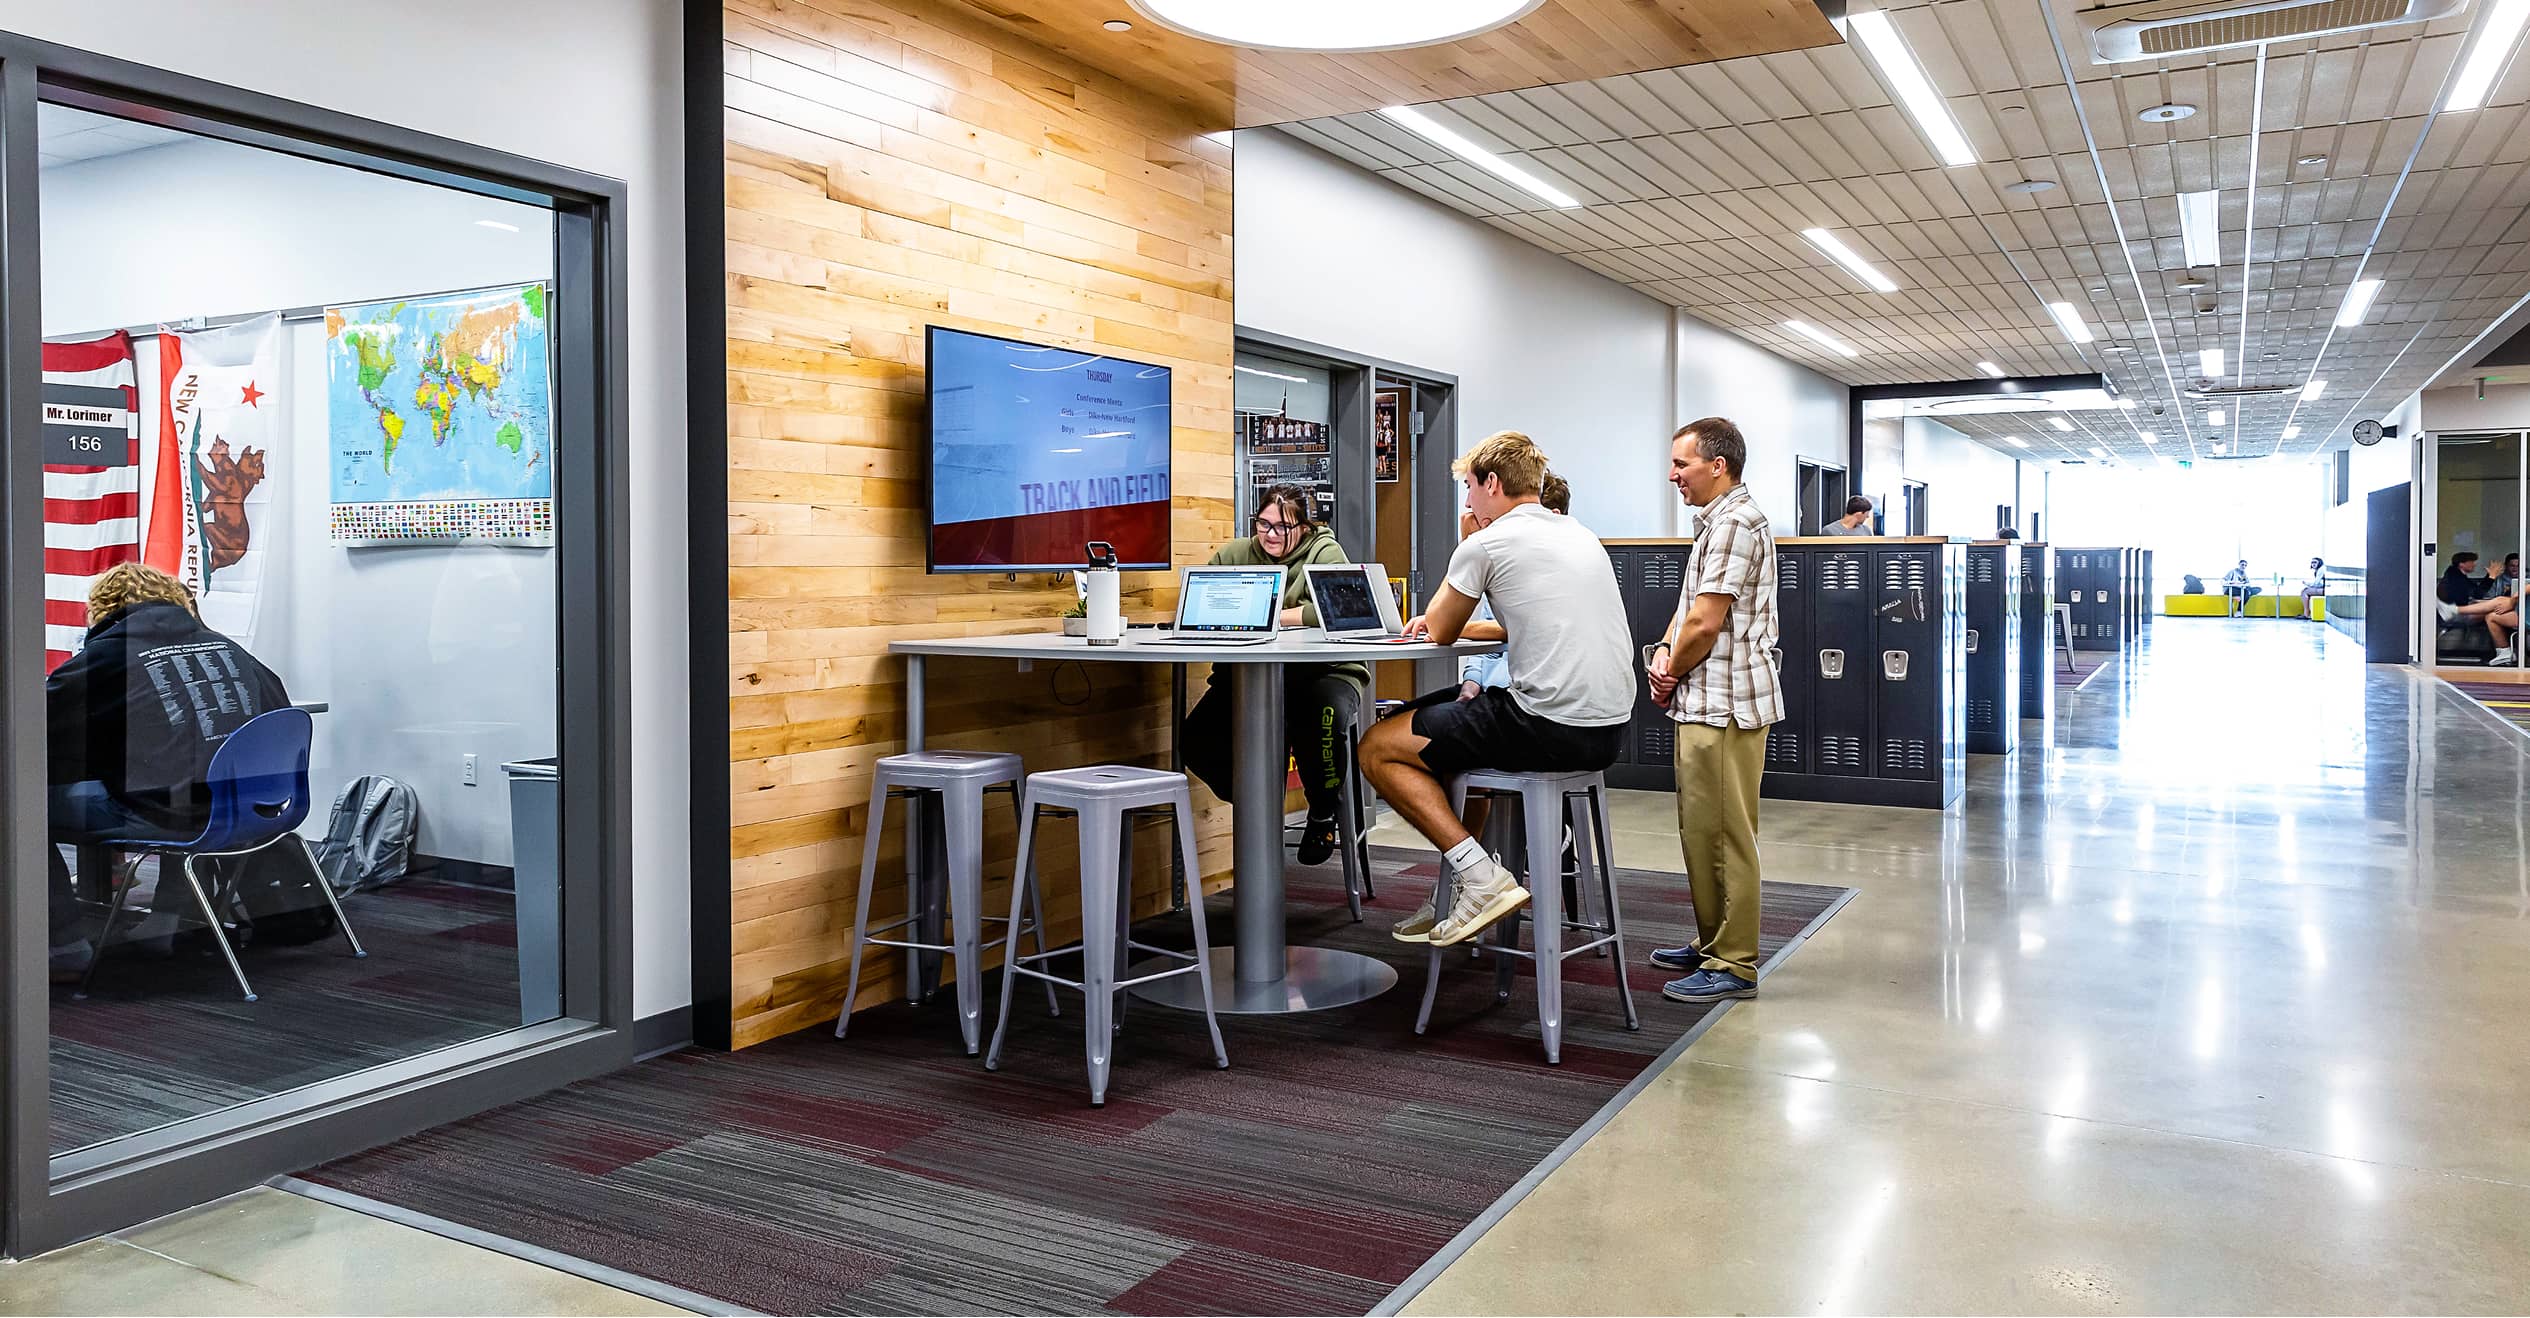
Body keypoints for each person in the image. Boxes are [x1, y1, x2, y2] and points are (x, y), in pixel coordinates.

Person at [1359, 432, 1632, 948]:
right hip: (1607, 730)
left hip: (1546, 724)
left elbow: (1439, 630)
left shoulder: (1487, 542)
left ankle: (1479, 879)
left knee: (1378, 747)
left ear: (1492, 483)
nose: (1467, 502)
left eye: (1469, 488)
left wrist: (1468, 539)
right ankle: (1461, 884)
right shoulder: (1578, 533)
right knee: (1436, 730)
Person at [44, 564, 292, 981]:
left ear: (103, 608)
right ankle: (170, 920)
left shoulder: (110, 656)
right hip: (249, 809)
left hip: (173, 814)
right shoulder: (227, 647)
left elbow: (39, 721)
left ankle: (62, 944)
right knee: (186, 782)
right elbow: (279, 706)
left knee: (21, 809)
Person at [1643, 418, 1781, 1003]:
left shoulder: (1735, 523)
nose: (1673, 474)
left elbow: (1706, 621)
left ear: (1717, 465)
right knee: (1700, 831)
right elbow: (1687, 609)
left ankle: (1735, 961)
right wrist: (1664, 659)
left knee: (1727, 834)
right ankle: (1710, 943)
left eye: (1682, 464)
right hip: (1703, 698)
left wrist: (1670, 667)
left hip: (1728, 702)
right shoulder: (1714, 524)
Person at [1180, 484, 1366, 864]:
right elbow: (1201, 601)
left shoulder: (1323, 551)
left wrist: (1268, 617)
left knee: (1318, 718)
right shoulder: (1237, 553)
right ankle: (1258, 799)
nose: (1270, 535)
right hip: (1249, 677)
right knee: (1195, 737)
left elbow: (1338, 609)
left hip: (1325, 673)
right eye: (1263, 524)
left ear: (1305, 526)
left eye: (1282, 526)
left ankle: (1322, 812)